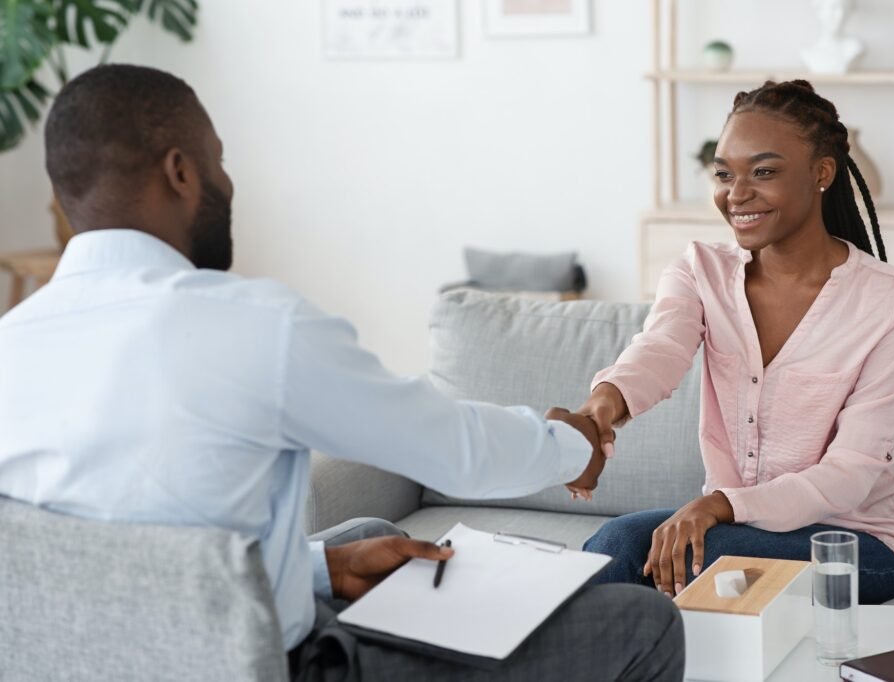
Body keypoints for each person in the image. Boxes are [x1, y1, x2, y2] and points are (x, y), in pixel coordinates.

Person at [0, 64, 684, 681]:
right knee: (643, 623)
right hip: (277, 666)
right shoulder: (253, 327)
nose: (228, 182)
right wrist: (573, 445)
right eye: (220, 161)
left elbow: (129, 571)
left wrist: (320, 573)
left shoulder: (13, 343)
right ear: (181, 171)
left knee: (360, 538)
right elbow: (453, 452)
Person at [571, 80, 894, 605]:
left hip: (855, 543)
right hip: (735, 528)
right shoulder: (700, 271)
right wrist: (603, 405)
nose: (735, 193)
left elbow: (851, 474)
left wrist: (718, 505)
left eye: (763, 172)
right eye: (724, 173)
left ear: (821, 173)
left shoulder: (890, 301)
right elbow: (660, 349)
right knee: (613, 543)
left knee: (706, 555)